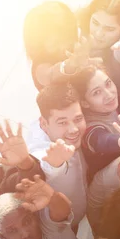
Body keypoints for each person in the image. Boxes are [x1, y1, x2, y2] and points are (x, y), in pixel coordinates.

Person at [25, 81, 89, 230]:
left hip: (83, 210)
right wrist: (55, 164)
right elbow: (40, 161)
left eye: (78, 119)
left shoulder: (57, 126)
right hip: (63, 227)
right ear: (44, 124)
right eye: (62, 123)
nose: (73, 129)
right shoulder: (39, 148)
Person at [23, 1, 79, 90]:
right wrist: (70, 64)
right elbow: (50, 75)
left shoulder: (76, 50)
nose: (63, 46)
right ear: (39, 45)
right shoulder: (40, 65)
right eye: (56, 43)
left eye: (68, 37)